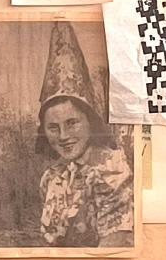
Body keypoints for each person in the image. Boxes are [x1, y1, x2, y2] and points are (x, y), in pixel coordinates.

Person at [35, 22, 135, 248]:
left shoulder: (111, 169)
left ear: (90, 122)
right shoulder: (50, 178)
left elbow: (114, 245)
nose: (63, 136)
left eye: (72, 123)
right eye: (53, 127)